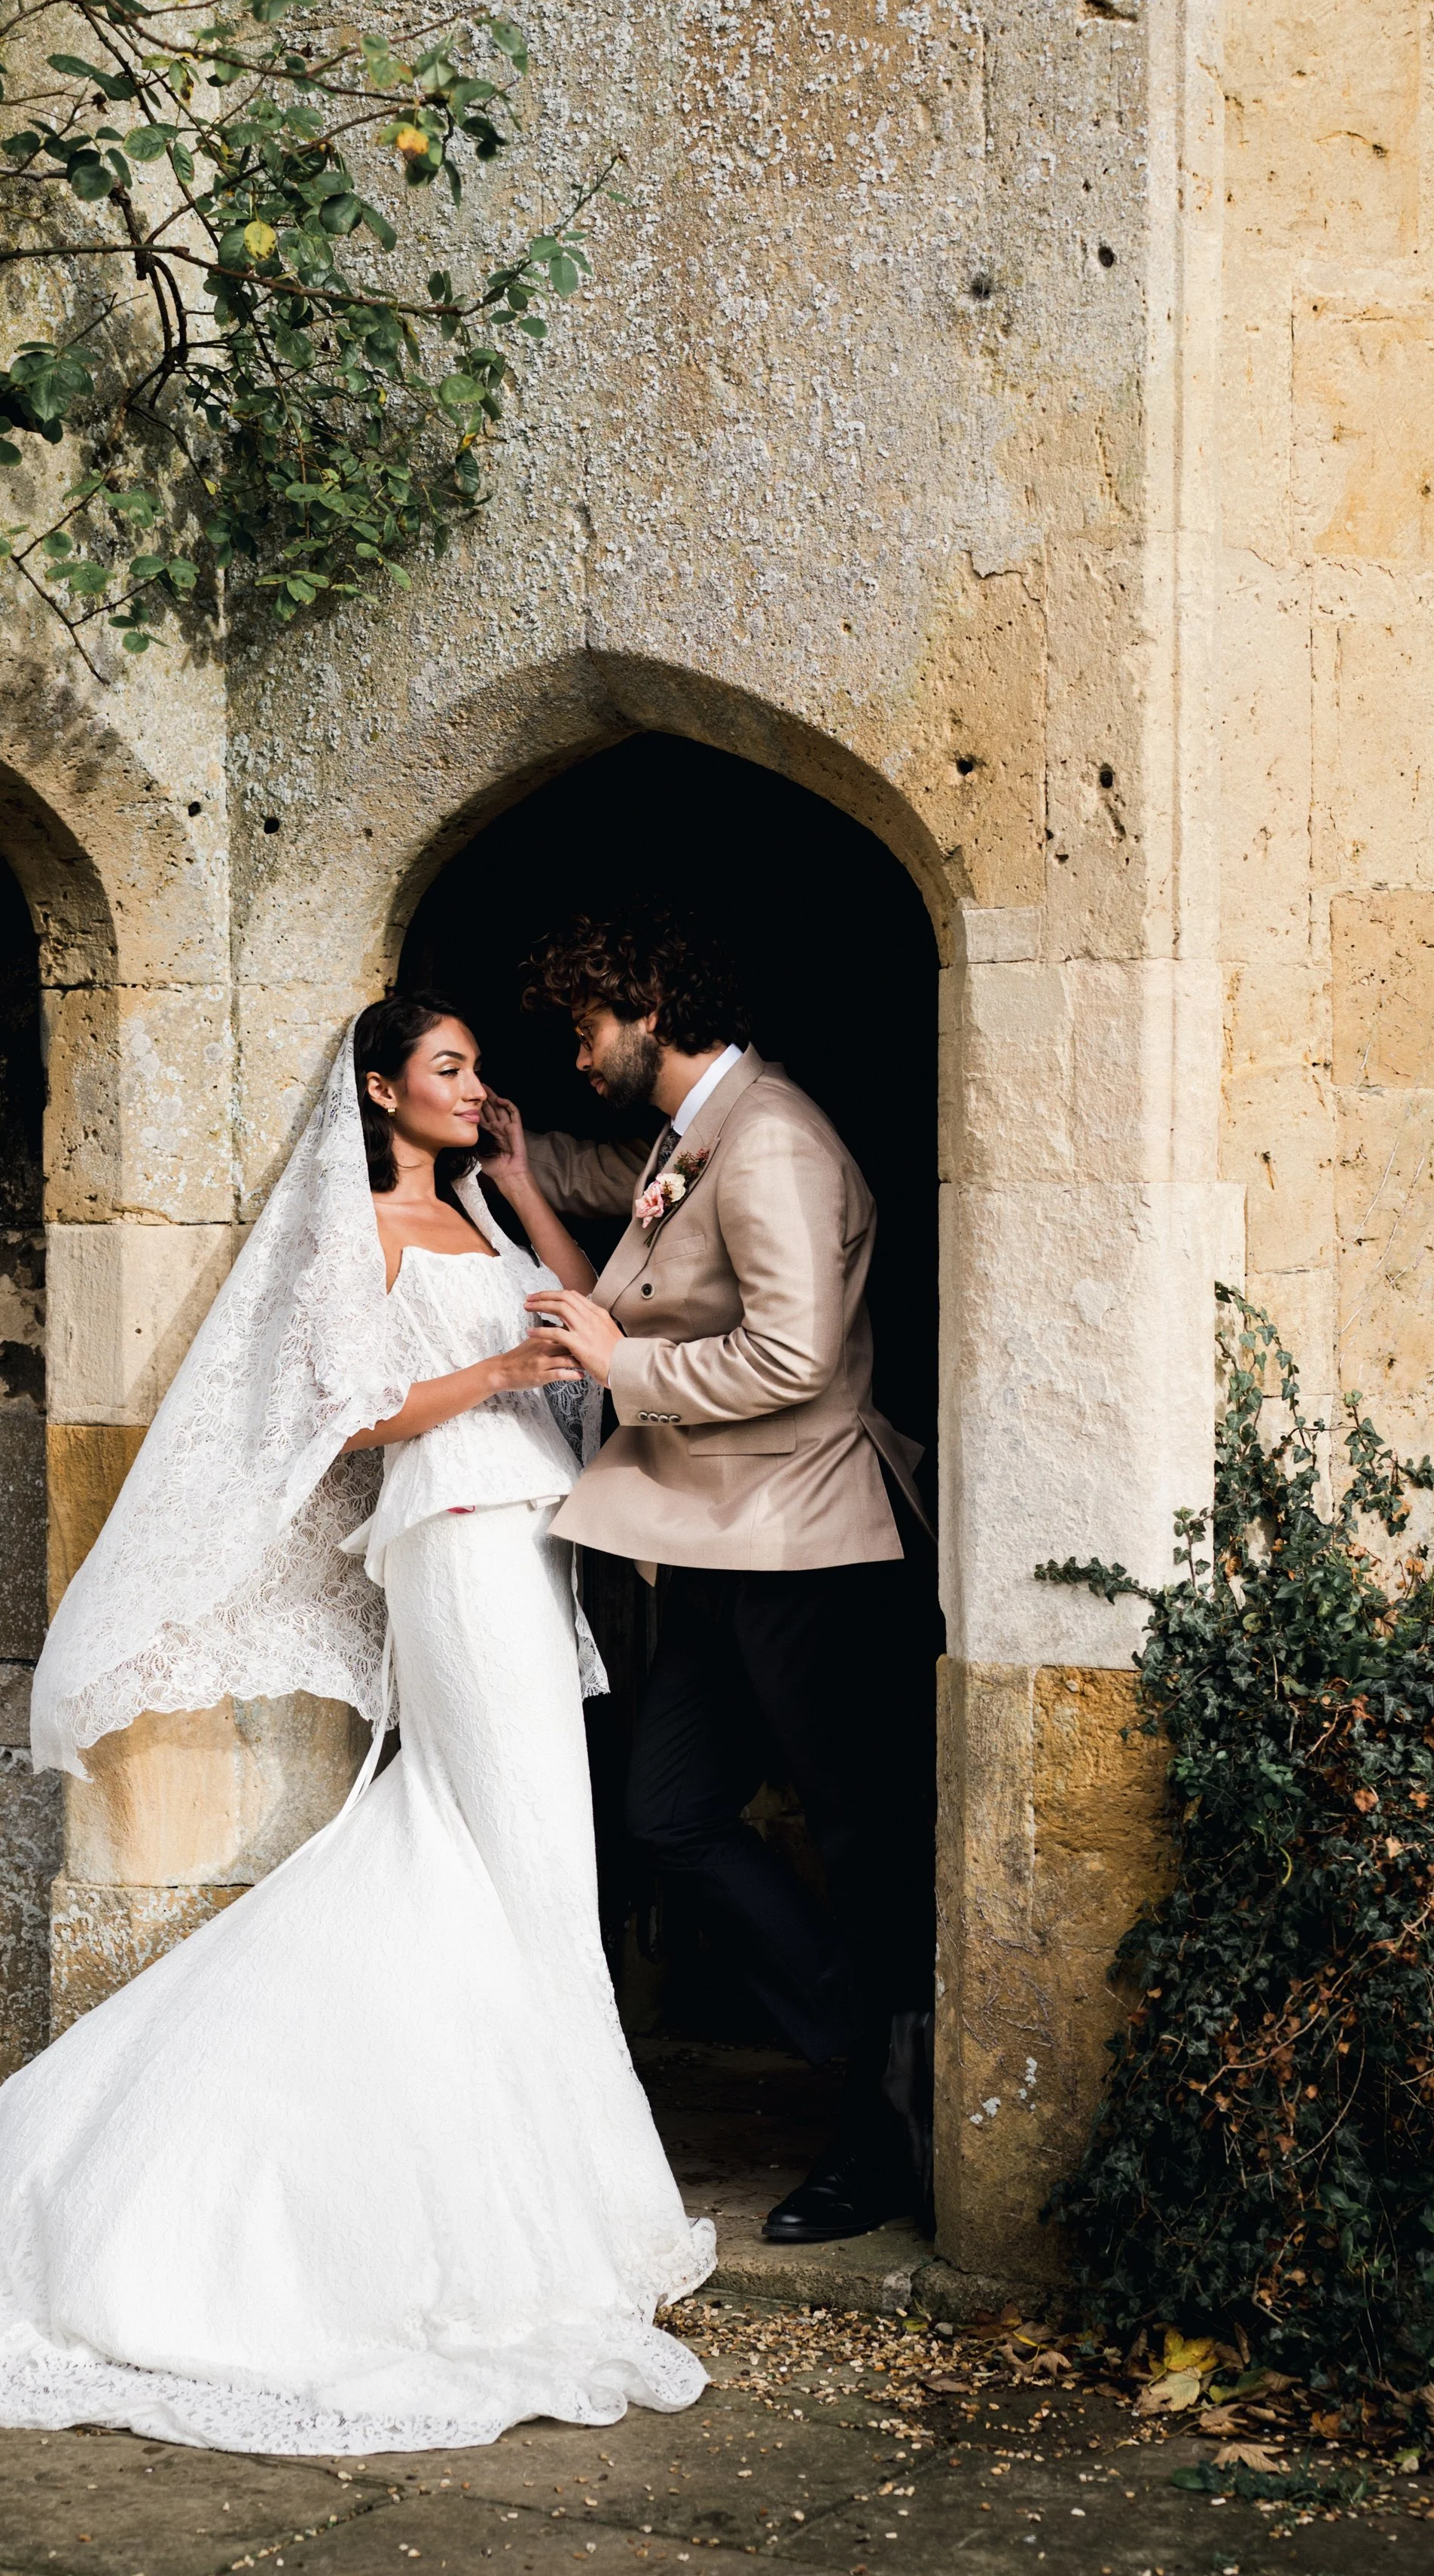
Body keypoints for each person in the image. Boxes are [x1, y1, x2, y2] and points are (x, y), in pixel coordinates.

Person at [0, 995, 713, 2453]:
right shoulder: (351, 1230)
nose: (471, 1087)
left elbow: (576, 1312)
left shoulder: (478, 1219)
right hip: (453, 1531)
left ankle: (560, 2200)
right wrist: (493, 1378)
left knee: (516, 1856)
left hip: (530, 1533)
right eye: (446, 1069)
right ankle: (534, 2224)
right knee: (521, 1851)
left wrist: (527, 1191)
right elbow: (340, 1410)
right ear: (377, 1091)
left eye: (475, 1069)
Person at [490, 906, 935, 2245]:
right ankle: (869, 2037)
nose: (578, 1052)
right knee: (666, 1812)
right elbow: (627, 1196)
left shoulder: (778, 1139)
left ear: (648, 1009)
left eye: (586, 1027)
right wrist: (509, 1163)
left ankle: (888, 2133)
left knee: (864, 1850)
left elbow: (795, 1359)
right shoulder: (702, 1136)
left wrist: (619, 1367)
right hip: (721, 1542)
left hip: (811, 1545)